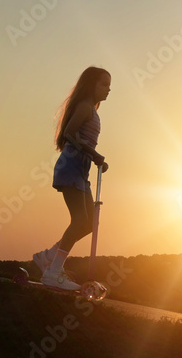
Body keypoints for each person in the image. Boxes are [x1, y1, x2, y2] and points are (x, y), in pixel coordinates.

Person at [33, 66, 110, 290]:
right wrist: (94, 154)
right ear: (91, 84)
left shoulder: (93, 111)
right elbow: (69, 132)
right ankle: (53, 271)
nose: (108, 89)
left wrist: (96, 158)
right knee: (79, 221)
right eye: (104, 84)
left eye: (110, 86)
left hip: (81, 172)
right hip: (71, 169)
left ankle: (48, 256)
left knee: (88, 224)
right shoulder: (85, 107)